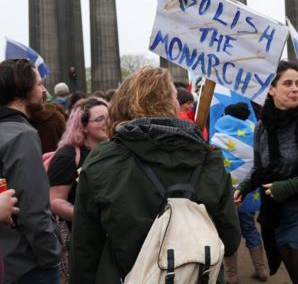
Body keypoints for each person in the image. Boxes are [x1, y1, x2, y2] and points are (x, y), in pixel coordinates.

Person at [69, 66, 241, 283]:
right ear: (172, 104)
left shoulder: (102, 161)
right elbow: (231, 240)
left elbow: (84, 249)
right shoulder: (208, 159)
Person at [234, 61, 298, 284]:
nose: (295, 89)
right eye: (288, 83)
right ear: (271, 89)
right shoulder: (262, 128)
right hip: (277, 217)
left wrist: (288, 186)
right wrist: (242, 189)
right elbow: (259, 168)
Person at [0, 59, 61, 283]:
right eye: (39, 84)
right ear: (23, 89)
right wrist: (51, 255)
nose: (44, 90)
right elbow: (33, 211)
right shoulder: (21, 135)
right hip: (26, 264)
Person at [47, 97, 109, 281]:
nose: (107, 123)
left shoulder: (113, 150)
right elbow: (55, 201)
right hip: (80, 239)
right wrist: (87, 217)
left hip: (107, 237)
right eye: (99, 119)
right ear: (82, 126)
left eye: (109, 117)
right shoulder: (67, 156)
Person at [212, 102, 268, 284]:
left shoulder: (218, 136)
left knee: (228, 232)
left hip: (227, 195)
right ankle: (261, 269)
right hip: (249, 194)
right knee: (250, 228)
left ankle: (232, 275)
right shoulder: (255, 133)